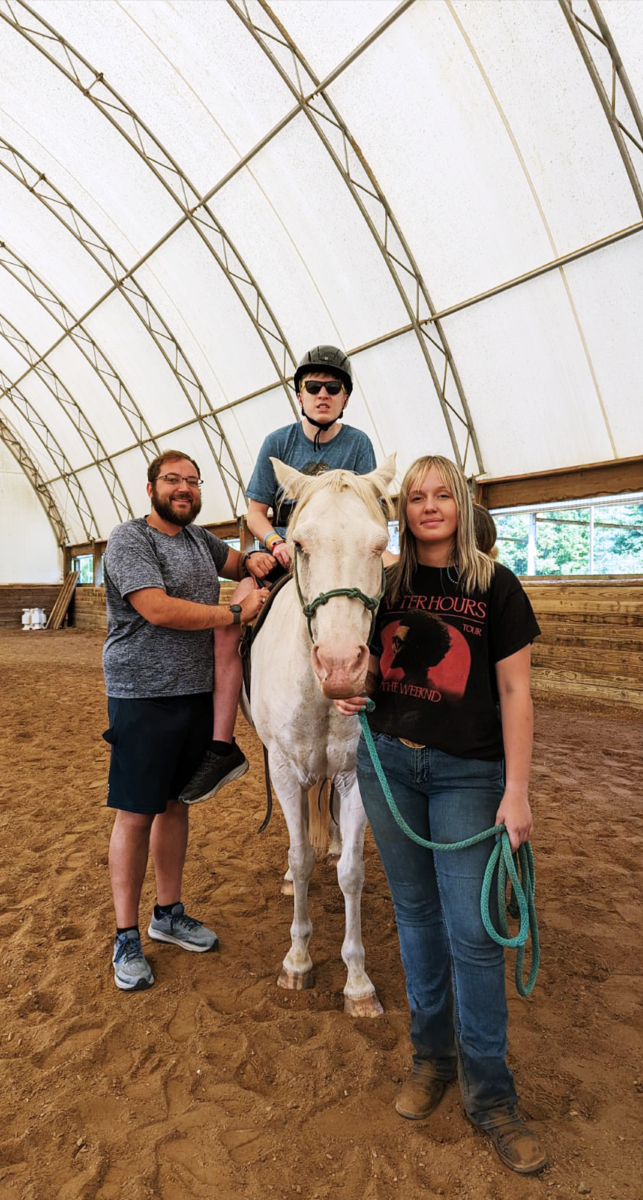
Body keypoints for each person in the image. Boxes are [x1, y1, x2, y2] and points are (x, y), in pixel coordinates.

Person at [333, 454, 547, 1176]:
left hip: (468, 775)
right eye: (416, 497)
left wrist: (515, 789)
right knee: (417, 921)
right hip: (390, 764)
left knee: (474, 936)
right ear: (405, 509)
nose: (428, 506)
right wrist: (351, 689)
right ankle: (433, 1059)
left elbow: (516, 692)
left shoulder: (496, 586)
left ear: (460, 502)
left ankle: (492, 1095)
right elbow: (370, 665)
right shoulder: (385, 584)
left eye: (440, 494)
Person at [178, 345, 377, 804]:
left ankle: (391, 726)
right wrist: (274, 543)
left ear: (345, 398)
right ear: (300, 394)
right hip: (283, 553)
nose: (322, 394)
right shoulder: (277, 442)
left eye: (333, 387)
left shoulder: (360, 446)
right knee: (228, 626)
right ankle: (222, 744)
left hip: (335, 560)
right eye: (313, 386)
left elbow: (366, 511)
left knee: (386, 609)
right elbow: (255, 509)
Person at [102, 450, 269, 992]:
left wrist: (263, 556)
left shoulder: (201, 542)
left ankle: (167, 913)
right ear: (150, 487)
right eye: (173, 480)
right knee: (135, 812)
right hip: (143, 694)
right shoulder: (131, 540)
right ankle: (126, 933)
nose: (184, 489)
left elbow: (240, 564)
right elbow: (157, 607)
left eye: (193, 482)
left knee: (175, 805)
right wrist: (234, 614)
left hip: (197, 693)